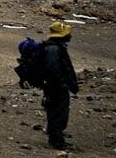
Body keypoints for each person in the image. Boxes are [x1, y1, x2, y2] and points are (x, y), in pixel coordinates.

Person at [41, 21, 79, 149]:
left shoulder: (54, 47)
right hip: (56, 87)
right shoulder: (54, 49)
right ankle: (57, 141)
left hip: (54, 86)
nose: (70, 36)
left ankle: (56, 138)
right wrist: (61, 83)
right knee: (58, 112)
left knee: (57, 111)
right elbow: (53, 69)